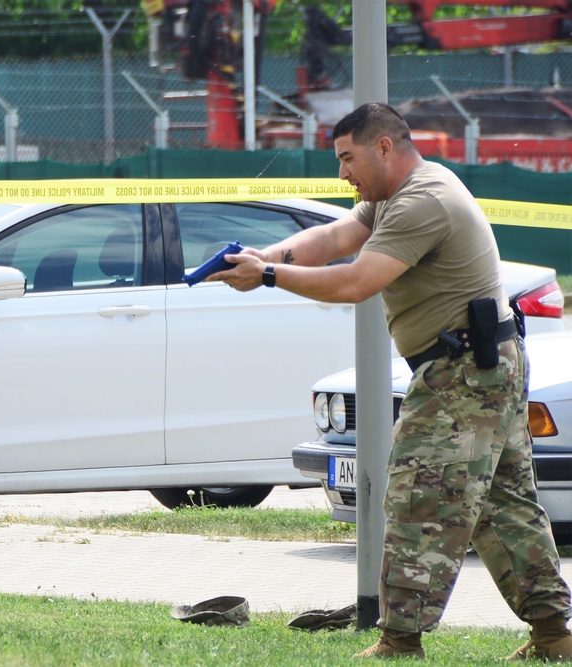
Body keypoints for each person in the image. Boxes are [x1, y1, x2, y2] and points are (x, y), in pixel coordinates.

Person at [209, 102, 572, 661]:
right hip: (481, 366)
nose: (342, 173)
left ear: (384, 147)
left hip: (463, 375)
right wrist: (262, 257)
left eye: (347, 158)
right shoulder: (397, 196)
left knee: (418, 499)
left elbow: (356, 281)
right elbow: (333, 239)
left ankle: (400, 640)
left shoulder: (423, 202)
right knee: (504, 505)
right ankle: (554, 636)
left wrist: (272, 276)